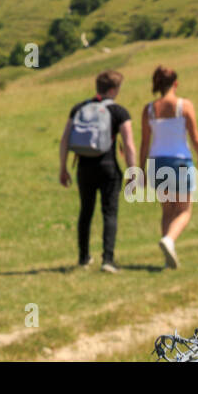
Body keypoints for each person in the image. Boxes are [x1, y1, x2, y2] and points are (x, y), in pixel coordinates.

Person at [59, 69, 137, 272]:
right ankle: (108, 260)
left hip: (84, 167)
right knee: (109, 212)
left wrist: (63, 168)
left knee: (86, 211)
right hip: (108, 167)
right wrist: (133, 172)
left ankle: (84, 258)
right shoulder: (119, 112)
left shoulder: (79, 108)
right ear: (113, 89)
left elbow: (65, 140)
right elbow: (128, 144)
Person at [138, 65, 198, 269]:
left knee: (167, 211)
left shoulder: (149, 109)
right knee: (184, 210)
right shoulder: (184, 105)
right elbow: (195, 137)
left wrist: (140, 169)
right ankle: (169, 241)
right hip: (180, 161)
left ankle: (168, 257)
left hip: (158, 162)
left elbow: (144, 142)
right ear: (175, 84)